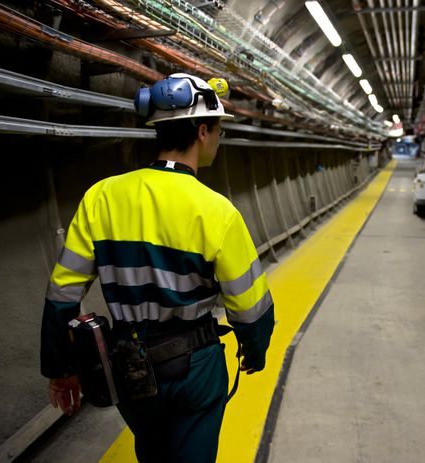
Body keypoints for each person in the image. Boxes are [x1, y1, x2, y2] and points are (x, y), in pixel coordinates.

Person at [40, 73, 275, 463]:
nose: (218, 138)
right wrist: (254, 349)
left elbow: (63, 292)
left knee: (151, 450)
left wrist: (60, 367)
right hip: (194, 366)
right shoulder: (217, 210)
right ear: (203, 131)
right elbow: (249, 304)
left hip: (127, 363)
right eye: (218, 130)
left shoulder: (101, 197)